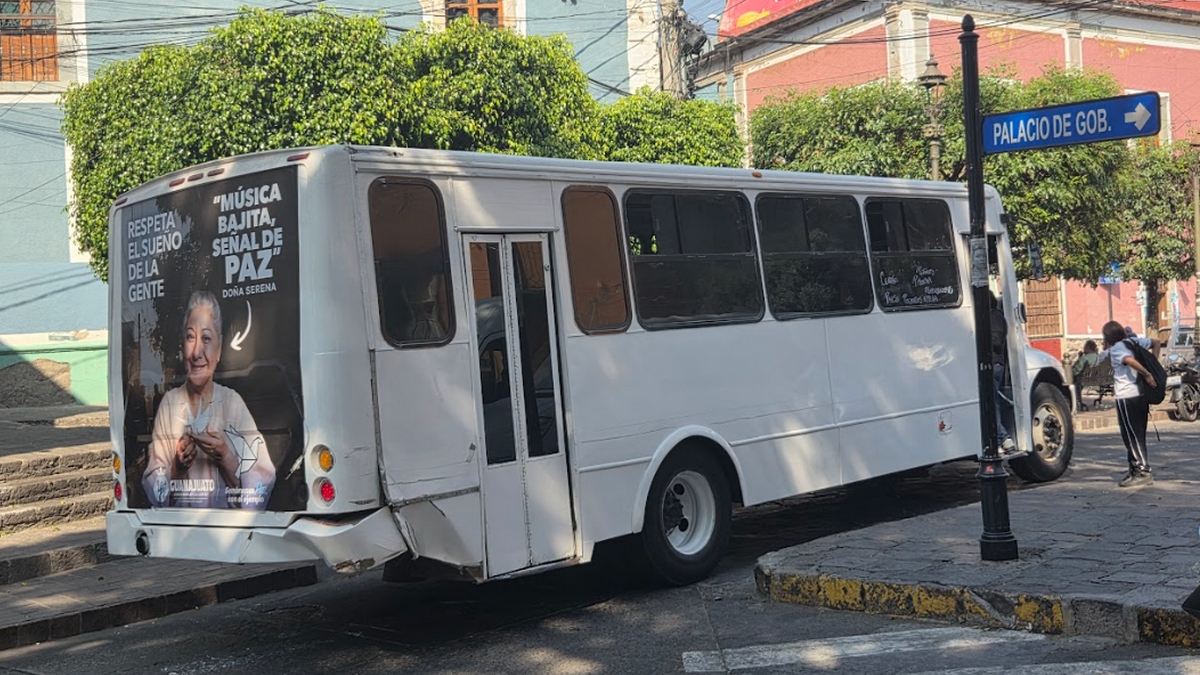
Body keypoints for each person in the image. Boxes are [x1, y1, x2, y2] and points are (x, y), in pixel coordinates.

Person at [143, 291, 276, 509]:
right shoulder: (170, 403)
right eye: (190, 337)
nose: (196, 352)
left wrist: (225, 456)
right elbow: (155, 493)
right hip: (179, 532)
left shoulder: (232, 403)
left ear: (219, 348)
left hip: (228, 534)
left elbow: (260, 488)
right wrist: (176, 468)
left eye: (206, 338)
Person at [1098, 320, 1160, 488]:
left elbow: (1129, 360)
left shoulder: (1118, 348)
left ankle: (1142, 470)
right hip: (1140, 395)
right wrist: (1154, 361)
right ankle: (1134, 467)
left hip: (1127, 396)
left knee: (1132, 436)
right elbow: (1156, 342)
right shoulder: (1134, 341)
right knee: (1138, 433)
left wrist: (1147, 373)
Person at [989, 293, 1017, 456]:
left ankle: (1004, 439)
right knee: (993, 402)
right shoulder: (997, 317)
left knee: (992, 404)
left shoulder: (995, 318)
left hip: (994, 364)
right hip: (995, 364)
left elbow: (996, 340)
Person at [1070, 340, 1100, 409]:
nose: (1083, 348)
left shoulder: (1084, 358)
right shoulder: (1097, 357)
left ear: (1088, 348)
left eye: (1085, 347)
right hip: (1094, 379)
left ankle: (1075, 402)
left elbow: (1076, 371)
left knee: (1072, 381)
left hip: (1082, 380)